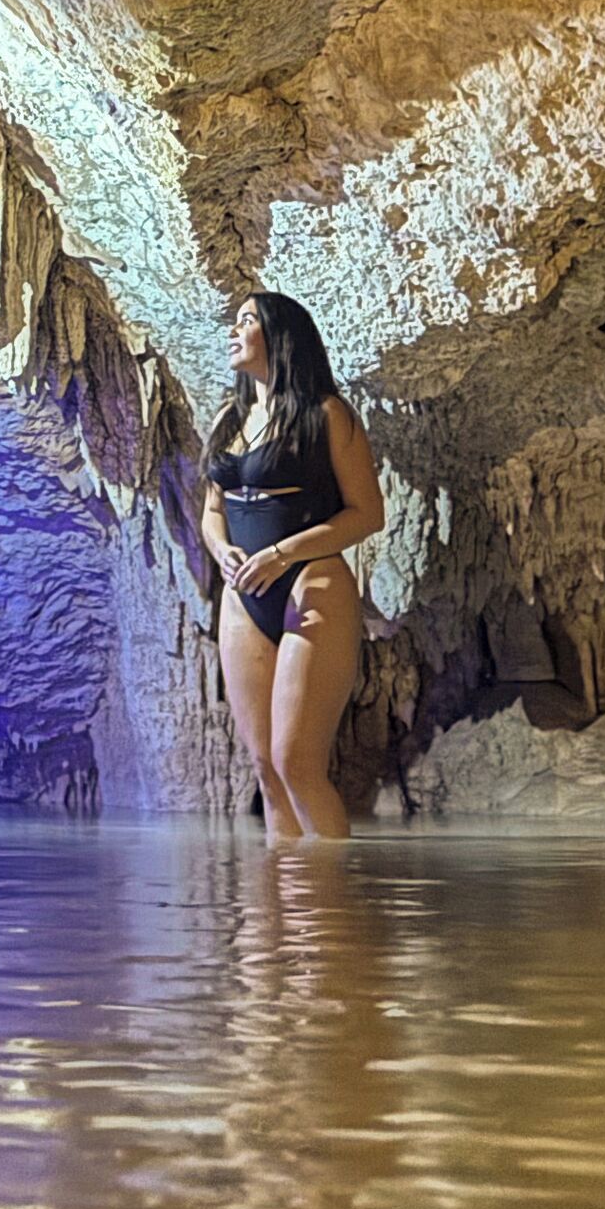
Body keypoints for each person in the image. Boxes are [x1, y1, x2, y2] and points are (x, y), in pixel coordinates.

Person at [199, 289, 385, 842]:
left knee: (296, 762)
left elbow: (367, 514)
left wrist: (283, 553)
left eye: (247, 320)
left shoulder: (326, 415)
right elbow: (213, 512)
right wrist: (221, 551)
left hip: (311, 580)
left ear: (279, 335)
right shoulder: (229, 418)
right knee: (265, 767)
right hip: (243, 595)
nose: (233, 331)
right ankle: (284, 893)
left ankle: (331, 890)